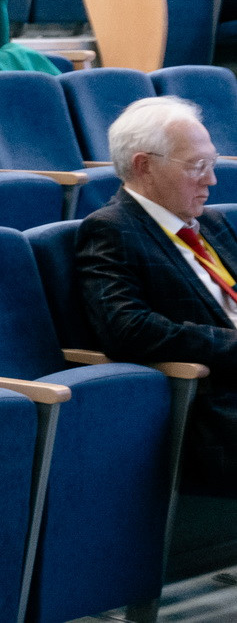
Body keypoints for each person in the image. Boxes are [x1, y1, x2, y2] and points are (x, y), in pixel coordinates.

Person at [76, 96, 237, 493]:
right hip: (213, 402)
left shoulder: (209, 222)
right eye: (197, 166)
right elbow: (128, 329)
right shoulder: (111, 230)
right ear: (144, 165)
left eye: (212, 163)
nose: (211, 180)